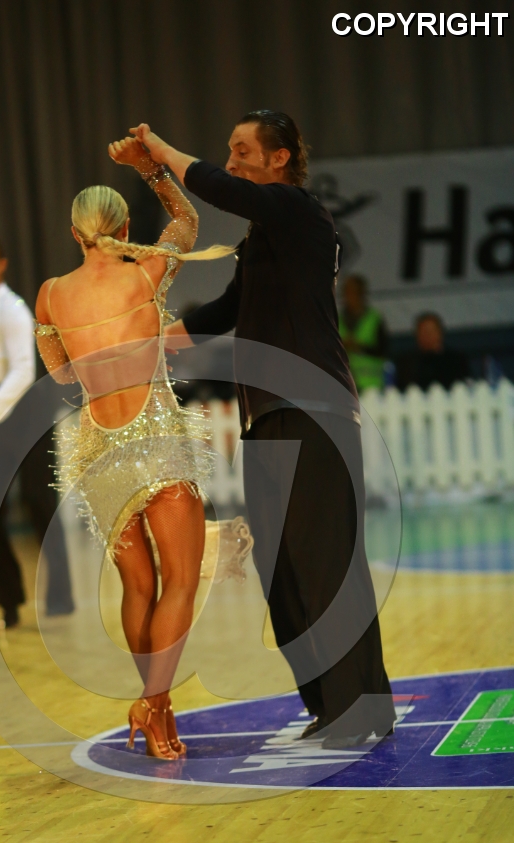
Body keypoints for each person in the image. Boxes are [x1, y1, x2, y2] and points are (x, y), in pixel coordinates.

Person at [135, 111, 395, 747]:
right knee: (280, 567)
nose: (230, 161)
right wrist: (154, 342)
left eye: (242, 150)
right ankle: (330, 703)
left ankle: (359, 706)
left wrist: (161, 151)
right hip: (268, 414)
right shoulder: (265, 235)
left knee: (323, 561)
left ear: (280, 159)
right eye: (228, 150)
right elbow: (229, 307)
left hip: (314, 409)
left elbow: (222, 189)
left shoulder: (297, 211)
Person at [35, 137, 237, 760]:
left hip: (98, 451)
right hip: (157, 441)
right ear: (123, 229)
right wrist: (149, 169)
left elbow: (60, 372)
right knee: (180, 582)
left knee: (139, 588)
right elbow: (187, 221)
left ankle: (158, 710)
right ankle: (152, 703)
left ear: (75, 234)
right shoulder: (147, 272)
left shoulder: (50, 294)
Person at [0, 234, 74, 627]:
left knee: (40, 503)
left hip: (26, 411)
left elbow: (24, 373)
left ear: (2, 264)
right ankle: (9, 601)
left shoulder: (13, 309)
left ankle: (61, 595)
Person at [395, 312, 470, 393]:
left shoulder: (456, 360)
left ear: (440, 333)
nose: (427, 336)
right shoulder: (406, 363)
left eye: (430, 331)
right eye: (423, 332)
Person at [338, 274, 388, 392]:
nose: (349, 296)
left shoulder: (375, 318)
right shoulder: (336, 319)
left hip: (371, 386)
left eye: (353, 292)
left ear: (362, 293)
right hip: (344, 385)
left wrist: (358, 347)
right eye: (347, 292)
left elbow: (384, 350)